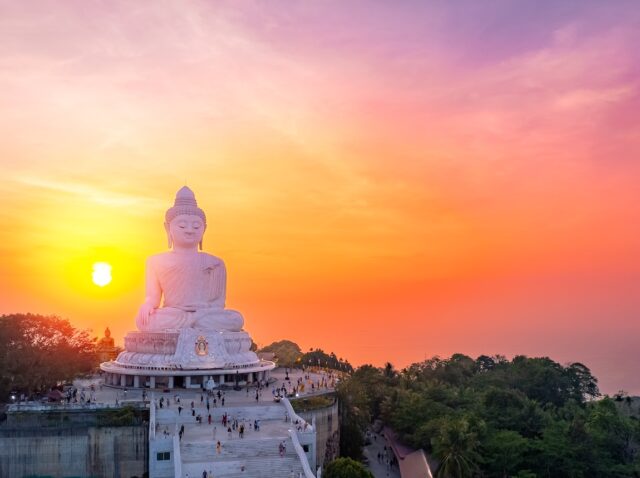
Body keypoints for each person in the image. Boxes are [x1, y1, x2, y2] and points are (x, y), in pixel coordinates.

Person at [135, 186, 244, 332]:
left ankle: (192, 323)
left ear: (204, 229)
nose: (189, 230)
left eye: (196, 226)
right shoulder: (155, 261)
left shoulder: (215, 263)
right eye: (182, 225)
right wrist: (147, 305)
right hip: (173, 314)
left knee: (235, 319)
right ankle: (193, 324)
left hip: (205, 315)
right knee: (145, 321)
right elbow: (152, 297)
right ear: (167, 228)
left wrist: (199, 315)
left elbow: (218, 304)